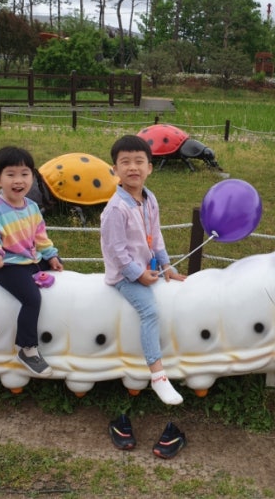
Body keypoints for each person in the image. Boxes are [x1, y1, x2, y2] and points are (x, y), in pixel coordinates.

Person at [101, 135, 187, 458]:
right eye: (125, 162)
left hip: (147, 267)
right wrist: (138, 274)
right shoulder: (115, 209)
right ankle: (158, 374)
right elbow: (117, 251)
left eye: (139, 161)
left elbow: (157, 236)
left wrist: (166, 266)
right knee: (150, 311)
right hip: (124, 276)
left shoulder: (150, 200)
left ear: (150, 168)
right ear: (115, 169)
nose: (133, 167)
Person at [0, 146, 63, 376]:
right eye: (11, 174)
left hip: (31, 260)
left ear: (32, 177)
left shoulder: (33, 207)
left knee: (62, 280)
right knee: (32, 299)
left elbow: (40, 237)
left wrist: (51, 256)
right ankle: (27, 348)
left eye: (24, 174)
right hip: (6, 265)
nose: (18, 180)